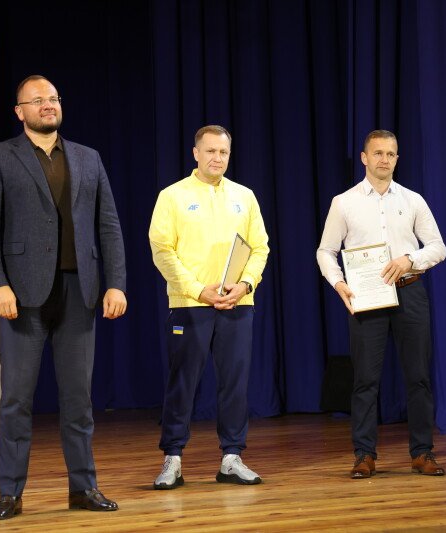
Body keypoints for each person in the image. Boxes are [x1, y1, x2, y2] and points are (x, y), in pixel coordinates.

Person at [0, 75, 127, 520]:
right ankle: (10, 492)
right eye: (37, 100)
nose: (48, 105)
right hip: (22, 295)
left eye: (53, 98)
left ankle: (83, 487)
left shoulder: (88, 158)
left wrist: (116, 282)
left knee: (78, 400)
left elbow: (108, 225)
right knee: (16, 399)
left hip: (80, 291)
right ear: (19, 111)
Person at [316, 129, 446, 479]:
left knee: (419, 377)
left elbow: (438, 247)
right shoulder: (344, 202)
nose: (384, 159)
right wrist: (338, 283)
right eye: (378, 153)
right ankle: (364, 454)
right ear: (364, 158)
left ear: (397, 158)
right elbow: (326, 250)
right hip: (367, 295)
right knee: (365, 380)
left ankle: (422, 452)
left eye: (390, 154)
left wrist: (410, 259)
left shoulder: (413, 200)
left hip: (409, 291)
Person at [148, 125, 270, 490]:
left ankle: (231, 457)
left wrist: (245, 284)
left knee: (235, 383)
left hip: (237, 303)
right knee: (182, 383)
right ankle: (173, 458)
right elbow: (162, 251)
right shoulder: (172, 196)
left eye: (223, 152)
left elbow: (260, 247)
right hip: (191, 304)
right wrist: (198, 290)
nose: (217, 158)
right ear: (196, 153)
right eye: (211, 151)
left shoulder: (244, 196)